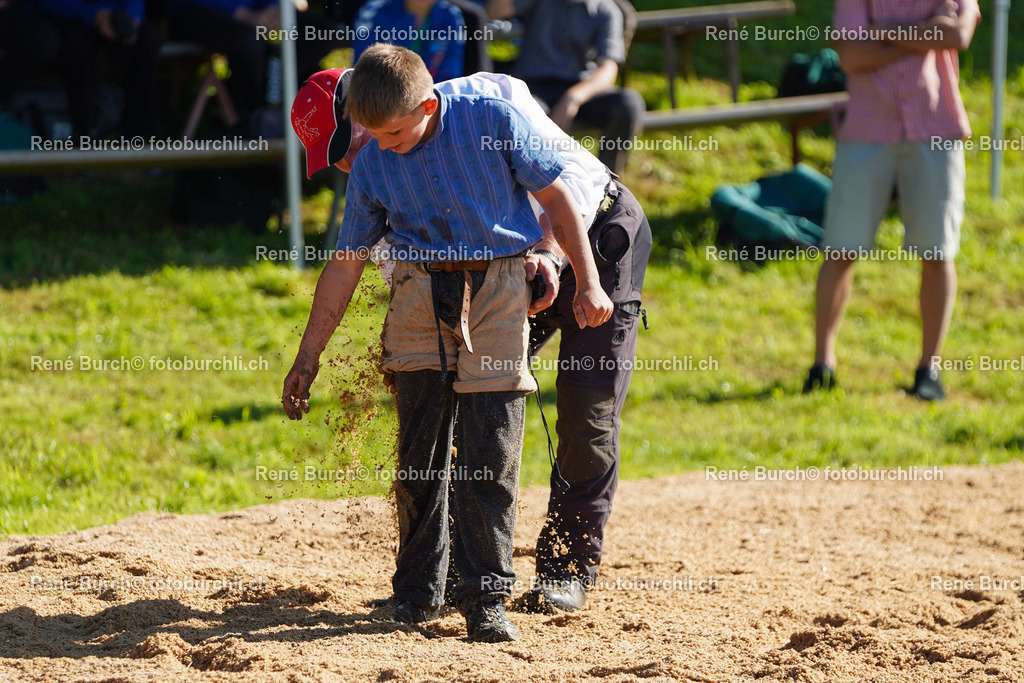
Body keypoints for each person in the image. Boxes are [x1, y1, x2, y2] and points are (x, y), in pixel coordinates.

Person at [282, 46, 613, 642]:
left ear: (424, 108)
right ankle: (417, 592)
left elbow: (561, 195)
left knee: (492, 445)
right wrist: (308, 356)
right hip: (421, 290)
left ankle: (486, 596)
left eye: (391, 134)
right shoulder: (378, 159)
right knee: (419, 452)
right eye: (373, 139)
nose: (379, 149)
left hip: (507, 279)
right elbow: (347, 262)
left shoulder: (492, 115)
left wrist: (584, 277)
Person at [805, 0, 980, 401]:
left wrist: (881, 31)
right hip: (867, 129)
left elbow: (958, 35)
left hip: (936, 127)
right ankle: (822, 364)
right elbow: (850, 56)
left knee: (937, 251)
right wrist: (925, 33)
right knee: (840, 248)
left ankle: (929, 368)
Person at [485, 0, 645, 175]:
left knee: (628, 103)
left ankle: (609, 181)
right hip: (532, 88)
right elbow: (493, 11)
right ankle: (529, 185)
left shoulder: (606, 9)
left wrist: (574, 97)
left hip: (581, 90)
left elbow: (608, 68)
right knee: (520, 114)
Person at [28, 0, 162, 138]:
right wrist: (95, 16)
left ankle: (139, 131)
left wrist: (131, 19)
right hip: (70, 15)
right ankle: (86, 129)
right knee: (76, 42)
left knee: (148, 38)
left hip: (116, 16)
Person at [353, 0, 466, 82]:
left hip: (430, 97)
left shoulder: (451, 15)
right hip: (382, 96)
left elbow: (451, 72)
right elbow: (364, 71)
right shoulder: (373, 12)